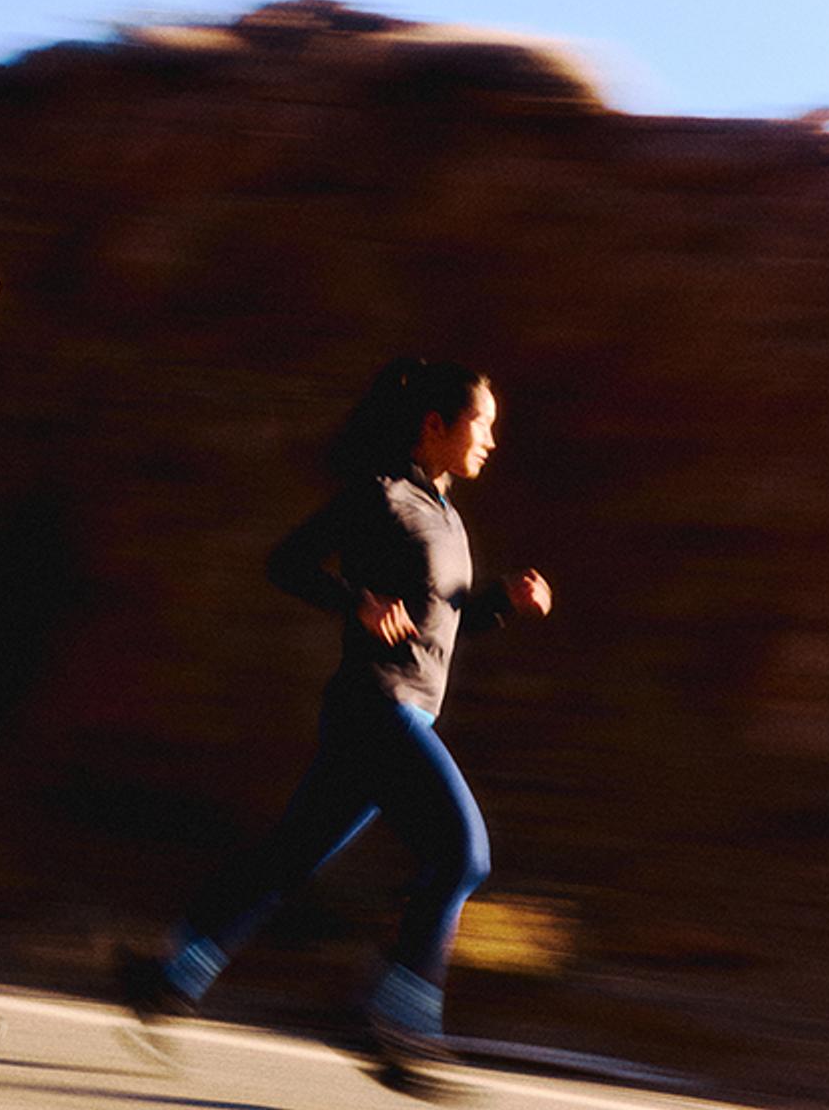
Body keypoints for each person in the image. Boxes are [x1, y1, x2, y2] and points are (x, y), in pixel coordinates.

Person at [121, 357, 552, 1069]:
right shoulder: (380, 497)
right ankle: (399, 1020)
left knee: (290, 857)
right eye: (483, 424)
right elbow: (286, 562)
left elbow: (442, 621)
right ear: (435, 425)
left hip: (396, 712)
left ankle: (168, 973)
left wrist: (501, 601)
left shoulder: (445, 514)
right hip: (376, 709)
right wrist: (355, 599)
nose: (492, 441)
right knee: (461, 853)